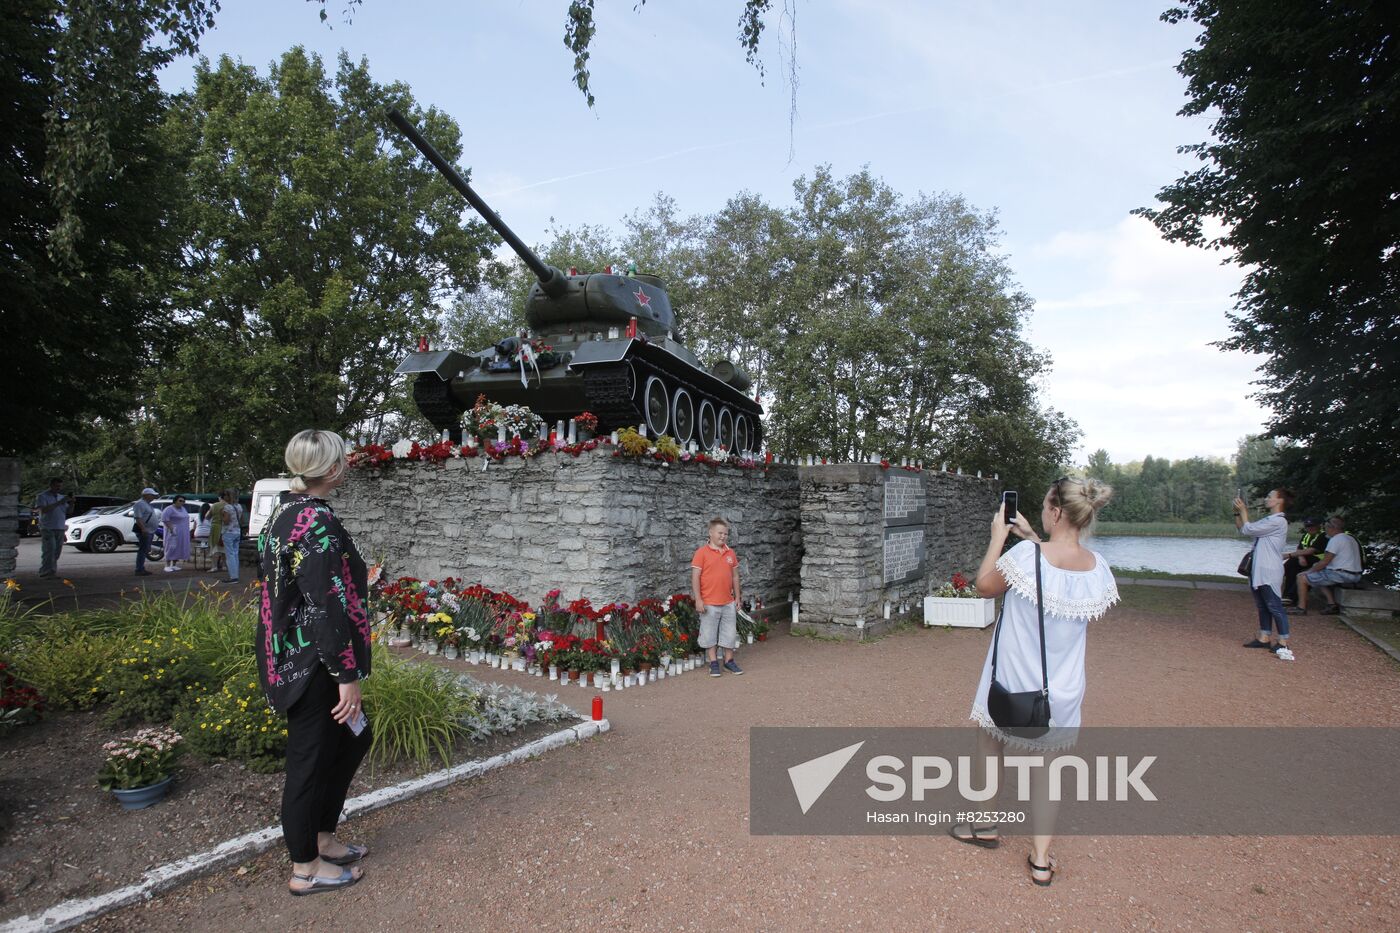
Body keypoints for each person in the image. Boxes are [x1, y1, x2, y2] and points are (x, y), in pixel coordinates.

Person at [954, 476, 1118, 887]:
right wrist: (1031, 538)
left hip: (1012, 677)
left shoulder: (1027, 556)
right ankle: (1041, 859)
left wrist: (999, 537)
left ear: (1056, 511)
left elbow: (984, 587)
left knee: (989, 741)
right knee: (1049, 768)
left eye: (1046, 505)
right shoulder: (1098, 568)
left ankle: (985, 826)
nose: (1042, 512)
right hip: (1061, 688)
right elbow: (1058, 572)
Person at [256, 429, 373, 896]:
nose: (348, 464)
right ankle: (305, 868)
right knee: (310, 759)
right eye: (343, 459)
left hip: (298, 655)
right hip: (313, 663)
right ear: (330, 469)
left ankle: (323, 836)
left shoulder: (285, 511)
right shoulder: (314, 521)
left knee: (350, 741)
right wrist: (346, 676)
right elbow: (324, 603)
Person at [1235, 488, 1295, 658]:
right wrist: (1237, 514)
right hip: (1258, 569)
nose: (1266, 498)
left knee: (1274, 605)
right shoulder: (1269, 520)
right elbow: (1244, 530)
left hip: (1269, 569)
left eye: (1270, 496)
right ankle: (1264, 637)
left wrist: (1244, 511)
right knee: (1262, 605)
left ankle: (1283, 641)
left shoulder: (1279, 521)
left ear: (1279, 501)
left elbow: (1248, 529)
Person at [692, 517, 744, 677]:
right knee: (709, 633)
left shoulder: (731, 553)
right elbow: (695, 577)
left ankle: (729, 661)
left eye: (726, 534)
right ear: (711, 533)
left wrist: (737, 597)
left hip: (728, 601)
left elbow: (735, 576)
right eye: (720, 533)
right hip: (709, 602)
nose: (723, 536)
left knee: (729, 632)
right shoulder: (701, 553)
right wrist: (698, 599)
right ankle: (713, 662)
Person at [1293, 516, 1363, 615]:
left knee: (1301, 577)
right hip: (1355, 574)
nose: (1325, 530)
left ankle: (1301, 608)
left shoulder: (1335, 540)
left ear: (1332, 528)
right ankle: (1332, 604)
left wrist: (1308, 572)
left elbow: (1324, 562)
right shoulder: (1350, 538)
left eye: (1326, 528)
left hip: (1342, 574)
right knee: (1319, 575)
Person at [1282, 517, 1328, 605]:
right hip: (1306, 560)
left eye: (1312, 526)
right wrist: (1301, 557)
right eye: (1308, 526)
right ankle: (1287, 596)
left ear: (1318, 526)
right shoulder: (1306, 535)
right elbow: (1299, 548)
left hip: (1319, 561)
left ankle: (1292, 596)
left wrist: (1288, 555)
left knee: (1295, 566)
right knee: (1291, 567)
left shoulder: (1323, 535)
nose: (1310, 528)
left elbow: (1311, 550)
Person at [34, 477, 71, 578]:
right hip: (47, 527)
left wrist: (72, 502)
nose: (58, 488)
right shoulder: (42, 496)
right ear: (51, 485)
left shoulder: (61, 497)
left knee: (56, 551)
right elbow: (43, 510)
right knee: (49, 550)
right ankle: (45, 572)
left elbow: (67, 512)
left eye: (60, 486)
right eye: (56, 486)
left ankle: (51, 572)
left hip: (59, 527)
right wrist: (59, 502)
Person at [160, 496, 192, 572]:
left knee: (179, 547)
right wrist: (171, 529)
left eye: (183, 501)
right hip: (173, 531)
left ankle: (174, 564)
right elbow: (165, 519)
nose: (182, 502)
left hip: (183, 532)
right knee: (171, 546)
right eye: (180, 501)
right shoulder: (169, 509)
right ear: (175, 501)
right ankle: (167, 565)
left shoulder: (183, 509)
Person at [133, 488, 159, 576]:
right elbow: (138, 518)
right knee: (143, 550)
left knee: (145, 549)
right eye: (152, 495)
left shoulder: (147, 504)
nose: (153, 497)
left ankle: (141, 568)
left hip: (149, 530)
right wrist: (143, 529)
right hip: (145, 530)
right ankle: (139, 569)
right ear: (146, 495)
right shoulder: (140, 504)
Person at [220, 488, 244, 583]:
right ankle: (235, 575)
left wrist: (222, 516)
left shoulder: (227, 508)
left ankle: (233, 577)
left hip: (228, 532)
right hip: (237, 531)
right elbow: (242, 520)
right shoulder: (239, 506)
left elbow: (226, 521)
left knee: (229, 555)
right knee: (235, 554)